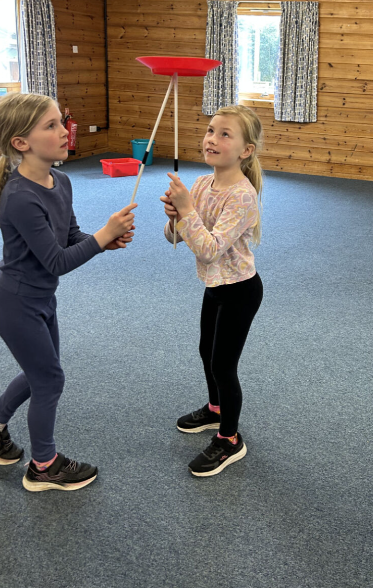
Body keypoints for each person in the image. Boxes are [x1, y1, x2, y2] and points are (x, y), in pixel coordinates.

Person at [0, 93, 136, 492]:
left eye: (61, 122)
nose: (65, 131)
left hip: (39, 300)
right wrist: (102, 236)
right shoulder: (20, 196)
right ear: (21, 143)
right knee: (49, 380)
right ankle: (44, 467)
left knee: (42, 373)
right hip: (15, 304)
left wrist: (103, 241)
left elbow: (69, 237)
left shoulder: (60, 180)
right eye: (51, 126)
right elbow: (56, 262)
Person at [161, 104, 264, 477]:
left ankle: (229, 438)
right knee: (206, 351)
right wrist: (175, 218)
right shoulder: (203, 184)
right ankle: (215, 409)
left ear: (245, 150)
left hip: (240, 289)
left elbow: (209, 249)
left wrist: (187, 212)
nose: (212, 139)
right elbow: (177, 238)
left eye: (225, 134)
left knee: (223, 364)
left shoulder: (242, 196)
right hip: (215, 285)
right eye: (210, 130)